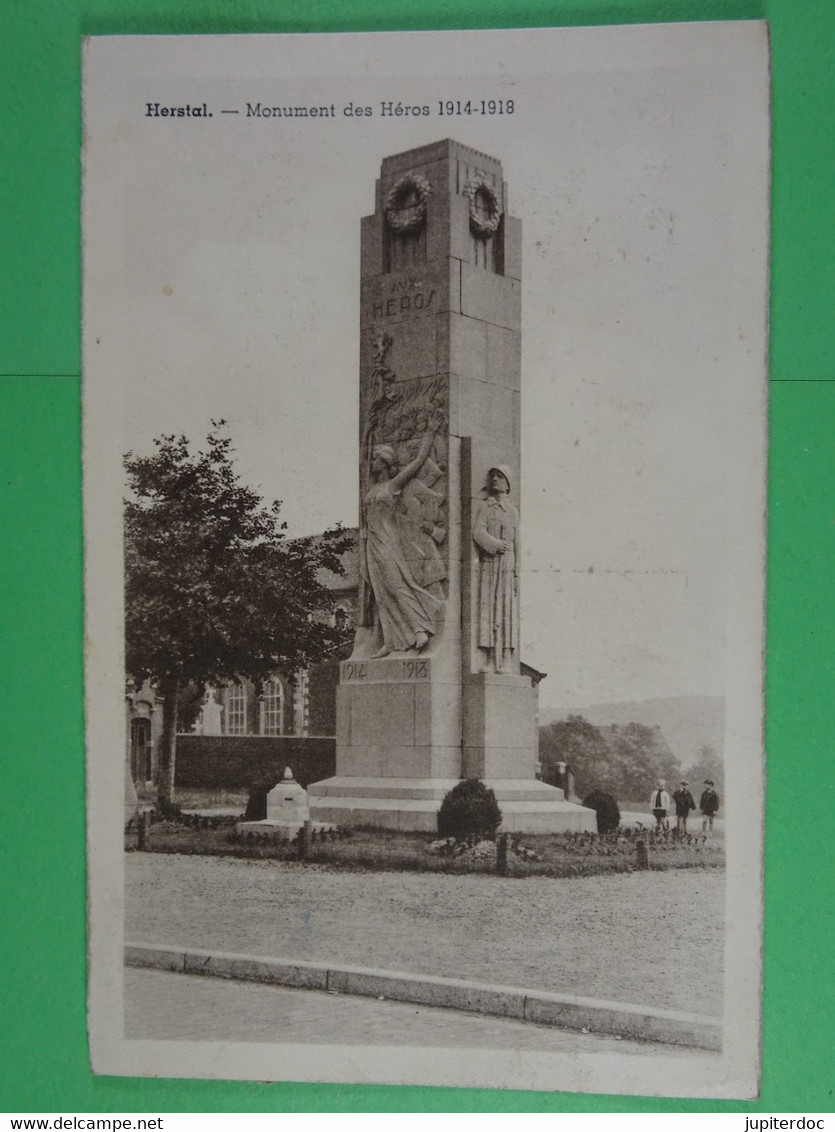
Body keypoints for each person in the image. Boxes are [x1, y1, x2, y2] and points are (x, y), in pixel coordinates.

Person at [362, 409, 446, 658]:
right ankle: (392, 640)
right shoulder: (373, 487)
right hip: (372, 544)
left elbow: (418, 462)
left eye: (377, 460)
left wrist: (430, 431)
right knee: (381, 593)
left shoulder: (393, 485)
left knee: (397, 585)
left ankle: (420, 628)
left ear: (386, 465)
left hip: (388, 541)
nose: (373, 463)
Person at [472, 465, 519, 672]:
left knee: (506, 612)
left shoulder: (512, 511)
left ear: (508, 483)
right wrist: (494, 545)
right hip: (490, 564)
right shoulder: (486, 507)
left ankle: (506, 658)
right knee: (489, 611)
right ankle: (490, 658)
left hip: (507, 565)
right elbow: (477, 533)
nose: (495, 480)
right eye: (492, 476)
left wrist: (517, 574)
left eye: (500, 476)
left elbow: (518, 543)